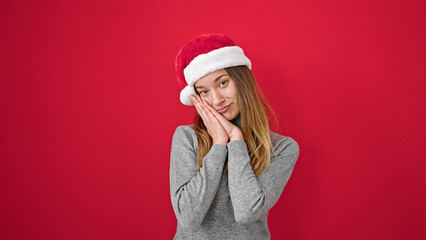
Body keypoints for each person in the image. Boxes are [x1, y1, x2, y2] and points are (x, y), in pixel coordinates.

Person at [169, 33, 300, 240]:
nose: (217, 100)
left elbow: (246, 212)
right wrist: (219, 144)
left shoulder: (282, 148)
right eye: (204, 92)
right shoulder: (187, 138)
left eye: (222, 83)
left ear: (241, 81)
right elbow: (188, 218)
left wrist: (236, 140)